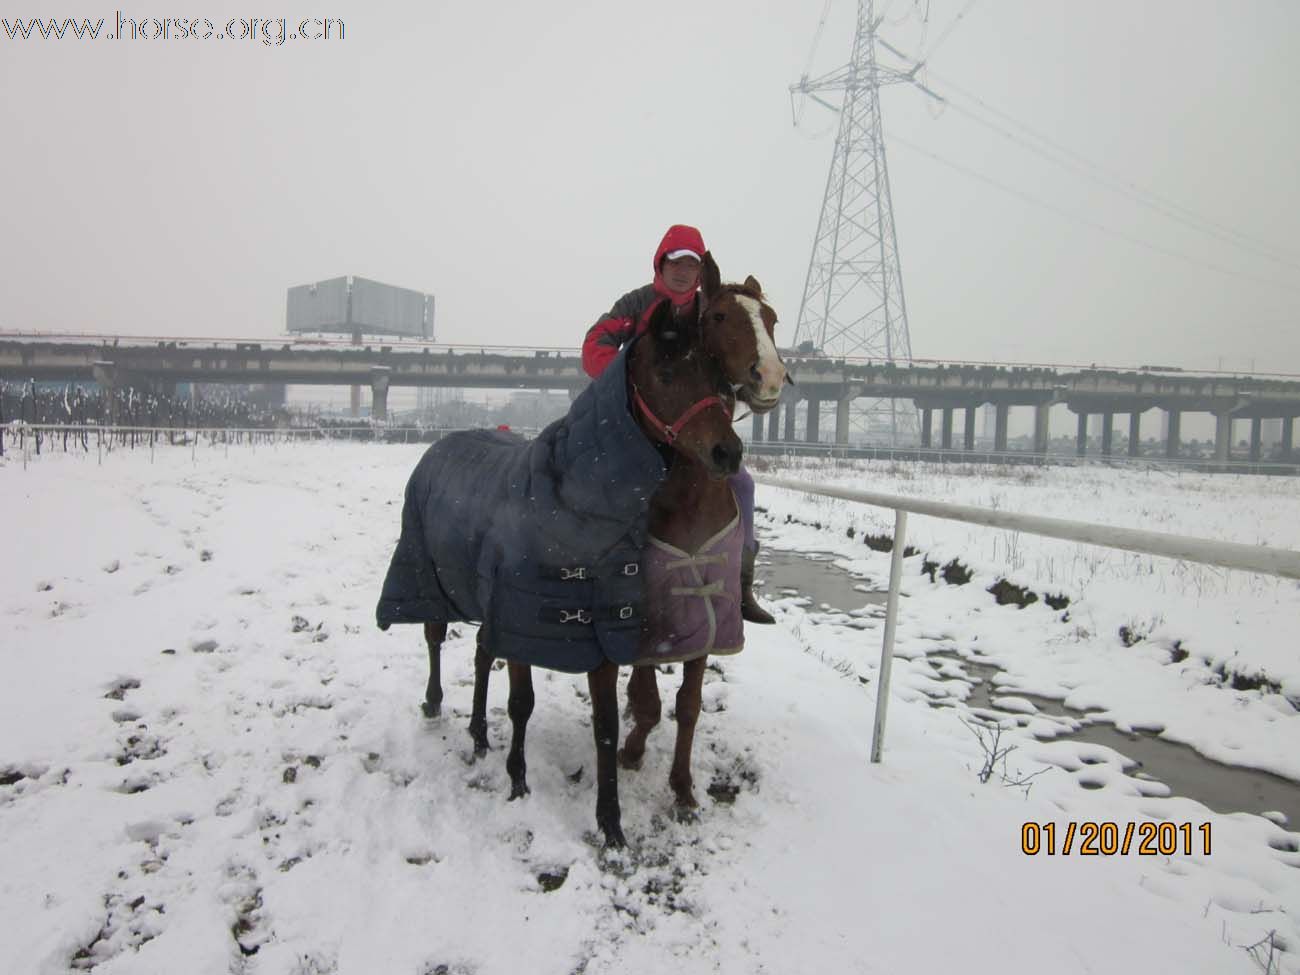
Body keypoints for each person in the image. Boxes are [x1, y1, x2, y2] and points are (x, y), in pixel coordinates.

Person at [582, 224, 775, 625]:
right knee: (597, 484)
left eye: (693, 263)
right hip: (637, 428)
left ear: (701, 270)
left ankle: (741, 580)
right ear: (661, 264)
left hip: (694, 432)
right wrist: (623, 379)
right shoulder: (636, 303)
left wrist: (753, 383)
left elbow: (731, 360)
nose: (684, 271)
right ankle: (589, 578)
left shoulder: (713, 310)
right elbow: (594, 345)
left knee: (741, 484)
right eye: (676, 262)